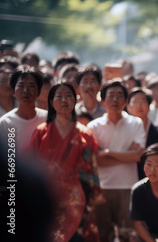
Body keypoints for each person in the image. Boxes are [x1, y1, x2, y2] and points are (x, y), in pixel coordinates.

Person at [26, 82, 102, 242]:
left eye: (69, 96)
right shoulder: (41, 132)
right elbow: (29, 164)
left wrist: (93, 199)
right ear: (51, 102)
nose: (64, 100)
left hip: (76, 200)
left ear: (75, 101)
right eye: (59, 96)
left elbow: (91, 170)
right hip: (47, 196)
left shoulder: (85, 134)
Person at [87, 79, 146, 242]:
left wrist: (107, 152)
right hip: (102, 187)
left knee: (128, 234)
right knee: (104, 234)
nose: (115, 100)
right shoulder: (94, 127)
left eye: (120, 96)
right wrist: (127, 156)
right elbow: (96, 160)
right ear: (102, 100)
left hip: (128, 187)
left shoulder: (136, 123)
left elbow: (138, 156)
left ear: (126, 101)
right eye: (111, 95)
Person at [0, 65, 47, 150]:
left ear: (39, 91)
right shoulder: (6, 123)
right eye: (21, 86)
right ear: (13, 91)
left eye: (31, 86)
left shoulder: (47, 118)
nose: (26, 91)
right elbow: (10, 158)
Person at [127, 87, 158, 179]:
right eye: (135, 102)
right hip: (127, 178)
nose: (140, 105)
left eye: (143, 102)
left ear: (149, 106)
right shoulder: (123, 131)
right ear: (128, 107)